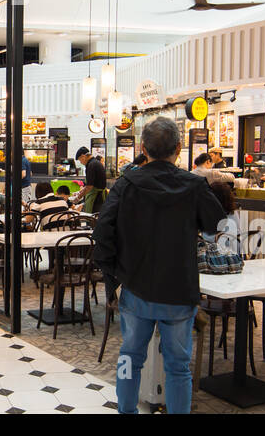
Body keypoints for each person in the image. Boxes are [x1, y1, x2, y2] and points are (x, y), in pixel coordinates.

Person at [93, 116, 228, 415]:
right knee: (178, 366)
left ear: (143, 148)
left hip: (136, 286)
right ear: (179, 148)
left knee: (129, 357)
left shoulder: (126, 183)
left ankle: (127, 411)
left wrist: (112, 278)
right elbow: (218, 225)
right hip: (180, 289)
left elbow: (102, 233)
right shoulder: (194, 185)